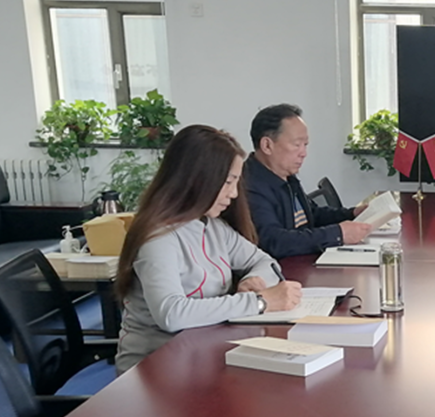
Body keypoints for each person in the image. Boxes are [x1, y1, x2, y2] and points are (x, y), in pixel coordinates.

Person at [115, 125, 303, 373]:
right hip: (155, 369)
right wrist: (258, 302)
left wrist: (252, 281)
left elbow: (265, 262)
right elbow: (171, 314)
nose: (233, 194)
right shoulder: (158, 238)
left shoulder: (212, 227)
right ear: (197, 179)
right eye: (228, 182)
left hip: (203, 355)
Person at [243, 104, 371, 258]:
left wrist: (352, 214)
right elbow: (274, 241)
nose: (303, 153)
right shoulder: (250, 185)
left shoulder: (286, 175)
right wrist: (338, 234)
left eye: (305, 145)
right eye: (297, 145)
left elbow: (312, 215)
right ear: (267, 145)